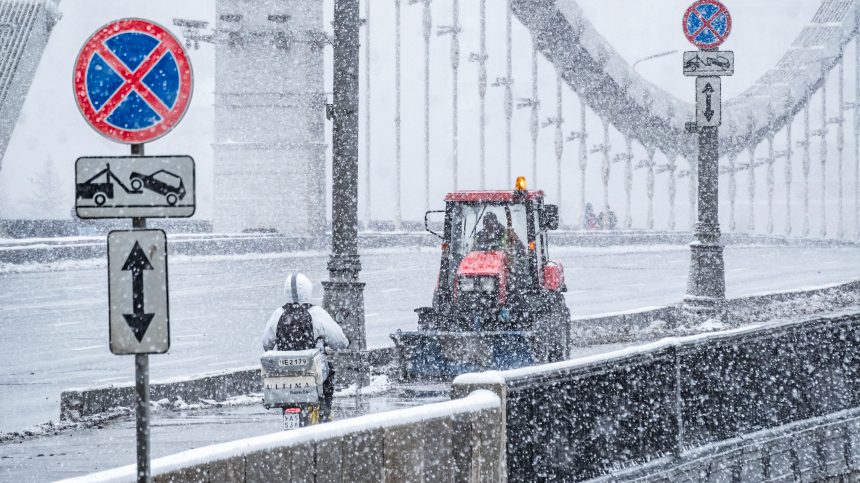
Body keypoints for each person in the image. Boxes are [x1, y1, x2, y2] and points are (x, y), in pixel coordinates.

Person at [261, 273, 349, 421]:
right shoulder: (316, 313)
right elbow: (339, 342)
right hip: (311, 373)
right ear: (308, 291)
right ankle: (324, 416)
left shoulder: (278, 314)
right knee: (328, 375)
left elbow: (266, 344)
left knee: (287, 395)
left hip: (286, 376)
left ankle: (289, 415)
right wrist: (346, 342)